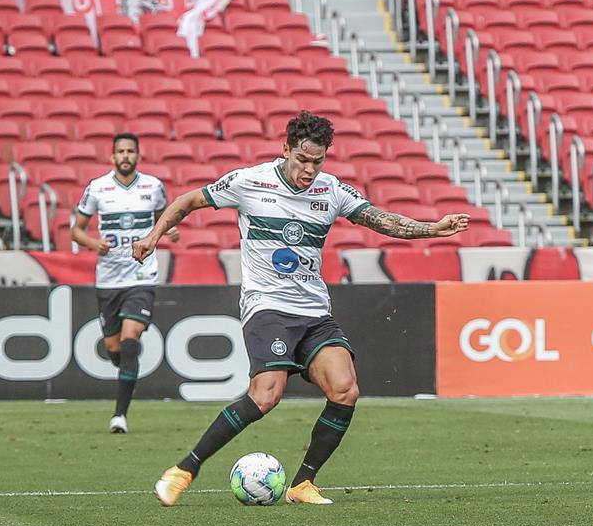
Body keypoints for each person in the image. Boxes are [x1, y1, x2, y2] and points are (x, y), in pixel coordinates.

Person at [136, 111, 470, 506]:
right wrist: (153, 236)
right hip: (267, 305)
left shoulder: (330, 190)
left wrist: (430, 228)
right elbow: (189, 200)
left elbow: (377, 219)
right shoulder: (249, 181)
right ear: (286, 150)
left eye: (318, 161)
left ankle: (302, 484)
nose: (310, 170)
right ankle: (184, 469)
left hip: (313, 310)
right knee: (266, 395)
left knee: (346, 389)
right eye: (303, 160)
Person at [70, 131, 171, 434]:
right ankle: (126, 367)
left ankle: (119, 416)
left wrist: (167, 232)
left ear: (138, 156)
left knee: (130, 341)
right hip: (109, 279)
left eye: (130, 151)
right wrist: (91, 243)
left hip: (142, 275)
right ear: (112, 157)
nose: (125, 156)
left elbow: (163, 217)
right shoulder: (97, 188)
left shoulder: (153, 186)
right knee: (115, 348)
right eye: (120, 152)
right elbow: (76, 229)